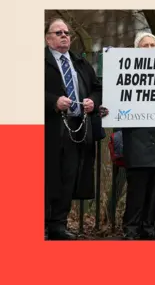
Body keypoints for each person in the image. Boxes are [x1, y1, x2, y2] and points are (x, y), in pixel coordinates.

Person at [44, 18, 102, 240]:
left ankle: (58, 225)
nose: (64, 35)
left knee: (68, 178)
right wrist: (52, 101)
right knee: (46, 178)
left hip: (76, 130)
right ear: (48, 38)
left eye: (66, 32)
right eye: (58, 32)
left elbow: (98, 88)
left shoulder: (79, 62)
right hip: (48, 129)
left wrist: (92, 102)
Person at [121, 31, 155, 240]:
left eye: (153, 45)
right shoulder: (125, 73)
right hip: (137, 138)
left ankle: (149, 228)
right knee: (137, 188)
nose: (150, 49)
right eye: (145, 46)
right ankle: (131, 229)